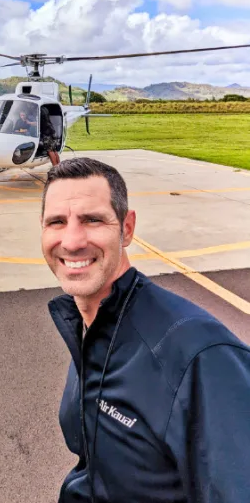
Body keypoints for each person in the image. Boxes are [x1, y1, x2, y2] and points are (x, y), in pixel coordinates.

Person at [41, 157, 250, 503]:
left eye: (93, 220)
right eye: (56, 222)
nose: (72, 240)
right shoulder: (88, 326)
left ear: (126, 229)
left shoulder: (199, 356)